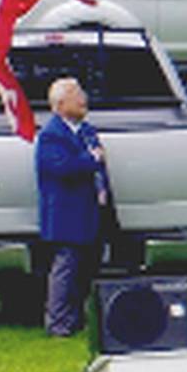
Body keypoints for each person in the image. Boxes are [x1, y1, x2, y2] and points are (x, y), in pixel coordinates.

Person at [34, 77, 112, 337]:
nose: (83, 99)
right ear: (59, 104)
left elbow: (99, 162)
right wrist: (91, 158)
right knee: (65, 268)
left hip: (90, 212)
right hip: (65, 215)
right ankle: (57, 323)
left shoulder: (87, 130)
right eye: (76, 95)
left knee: (86, 268)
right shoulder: (50, 135)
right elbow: (62, 168)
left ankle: (77, 319)